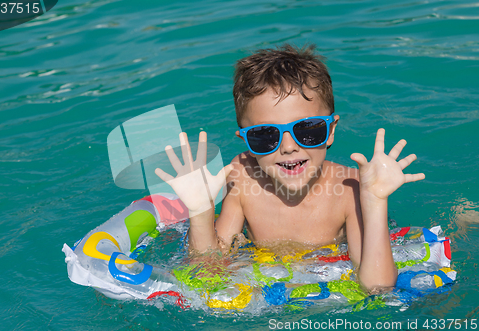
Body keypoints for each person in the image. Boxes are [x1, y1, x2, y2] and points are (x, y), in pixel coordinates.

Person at [155, 44, 425, 291]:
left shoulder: (349, 188)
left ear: (330, 131)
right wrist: (200, 210)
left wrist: (375, 201)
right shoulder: (242, 177)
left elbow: (376, 287)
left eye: (307, 130)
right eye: (265, 135)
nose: (287, 147)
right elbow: (208, 275)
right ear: (246, 142)